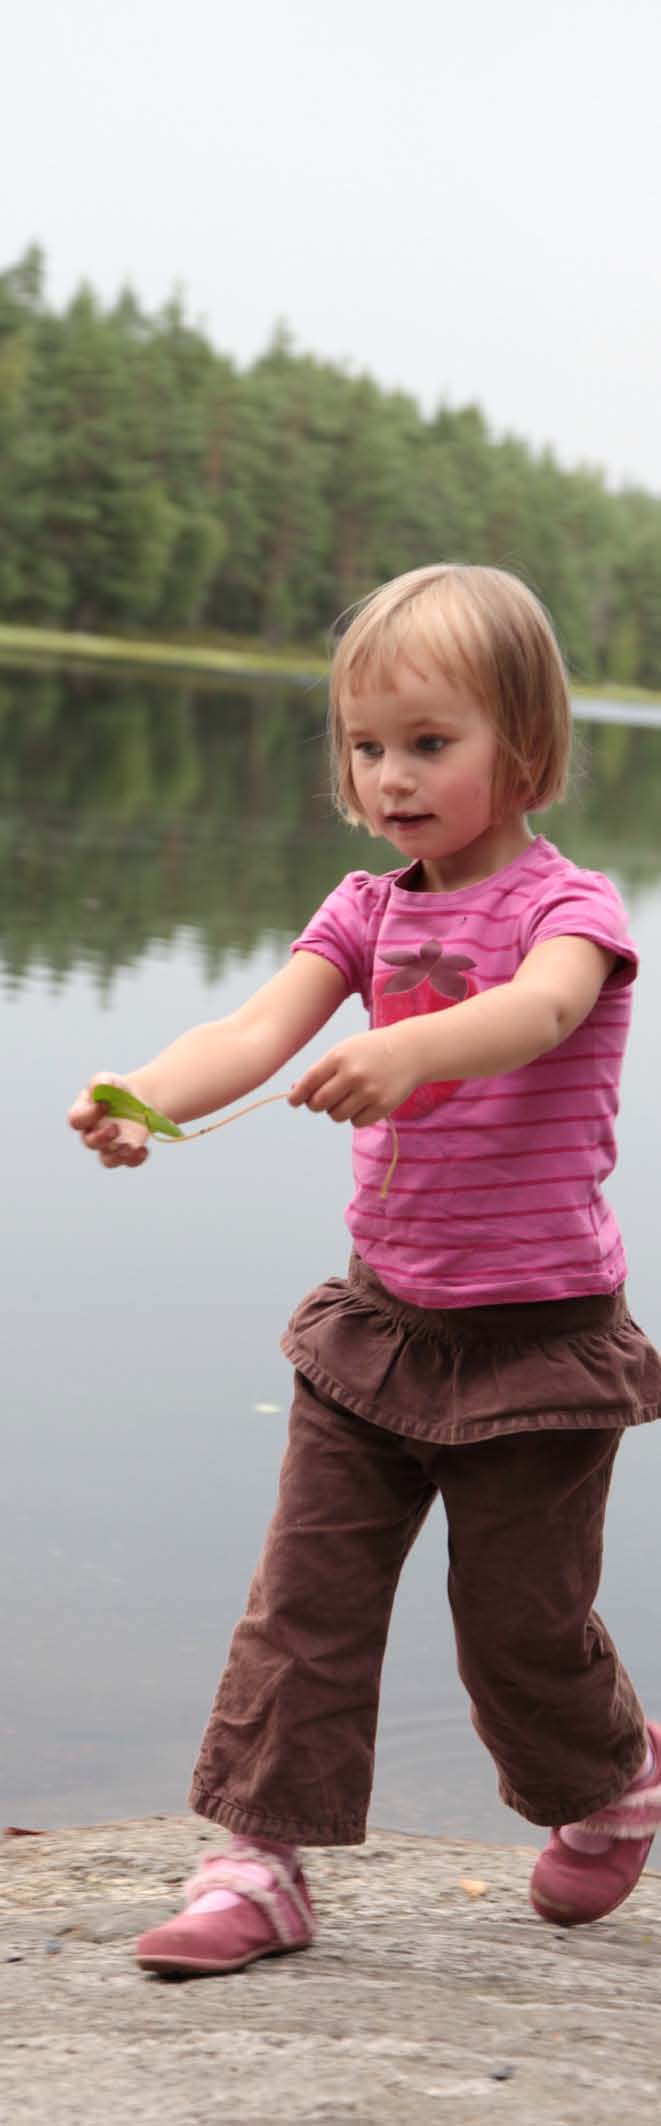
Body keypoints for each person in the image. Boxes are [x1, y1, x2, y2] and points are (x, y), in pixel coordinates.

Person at [69, 563, 661, 1975]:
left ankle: (612, 1771)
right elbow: (255, 1027)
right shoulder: (362, 911)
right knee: (305, 1603)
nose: (389, 775)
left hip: (535, 1342)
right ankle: (257, 1861)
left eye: (429, 743)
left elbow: (539, 1011)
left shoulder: (566, 909)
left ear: (521, 748)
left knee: (515, 1630)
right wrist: (144, 1093)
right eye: (366, 743)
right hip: (377, 1332)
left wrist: (408, 1049)